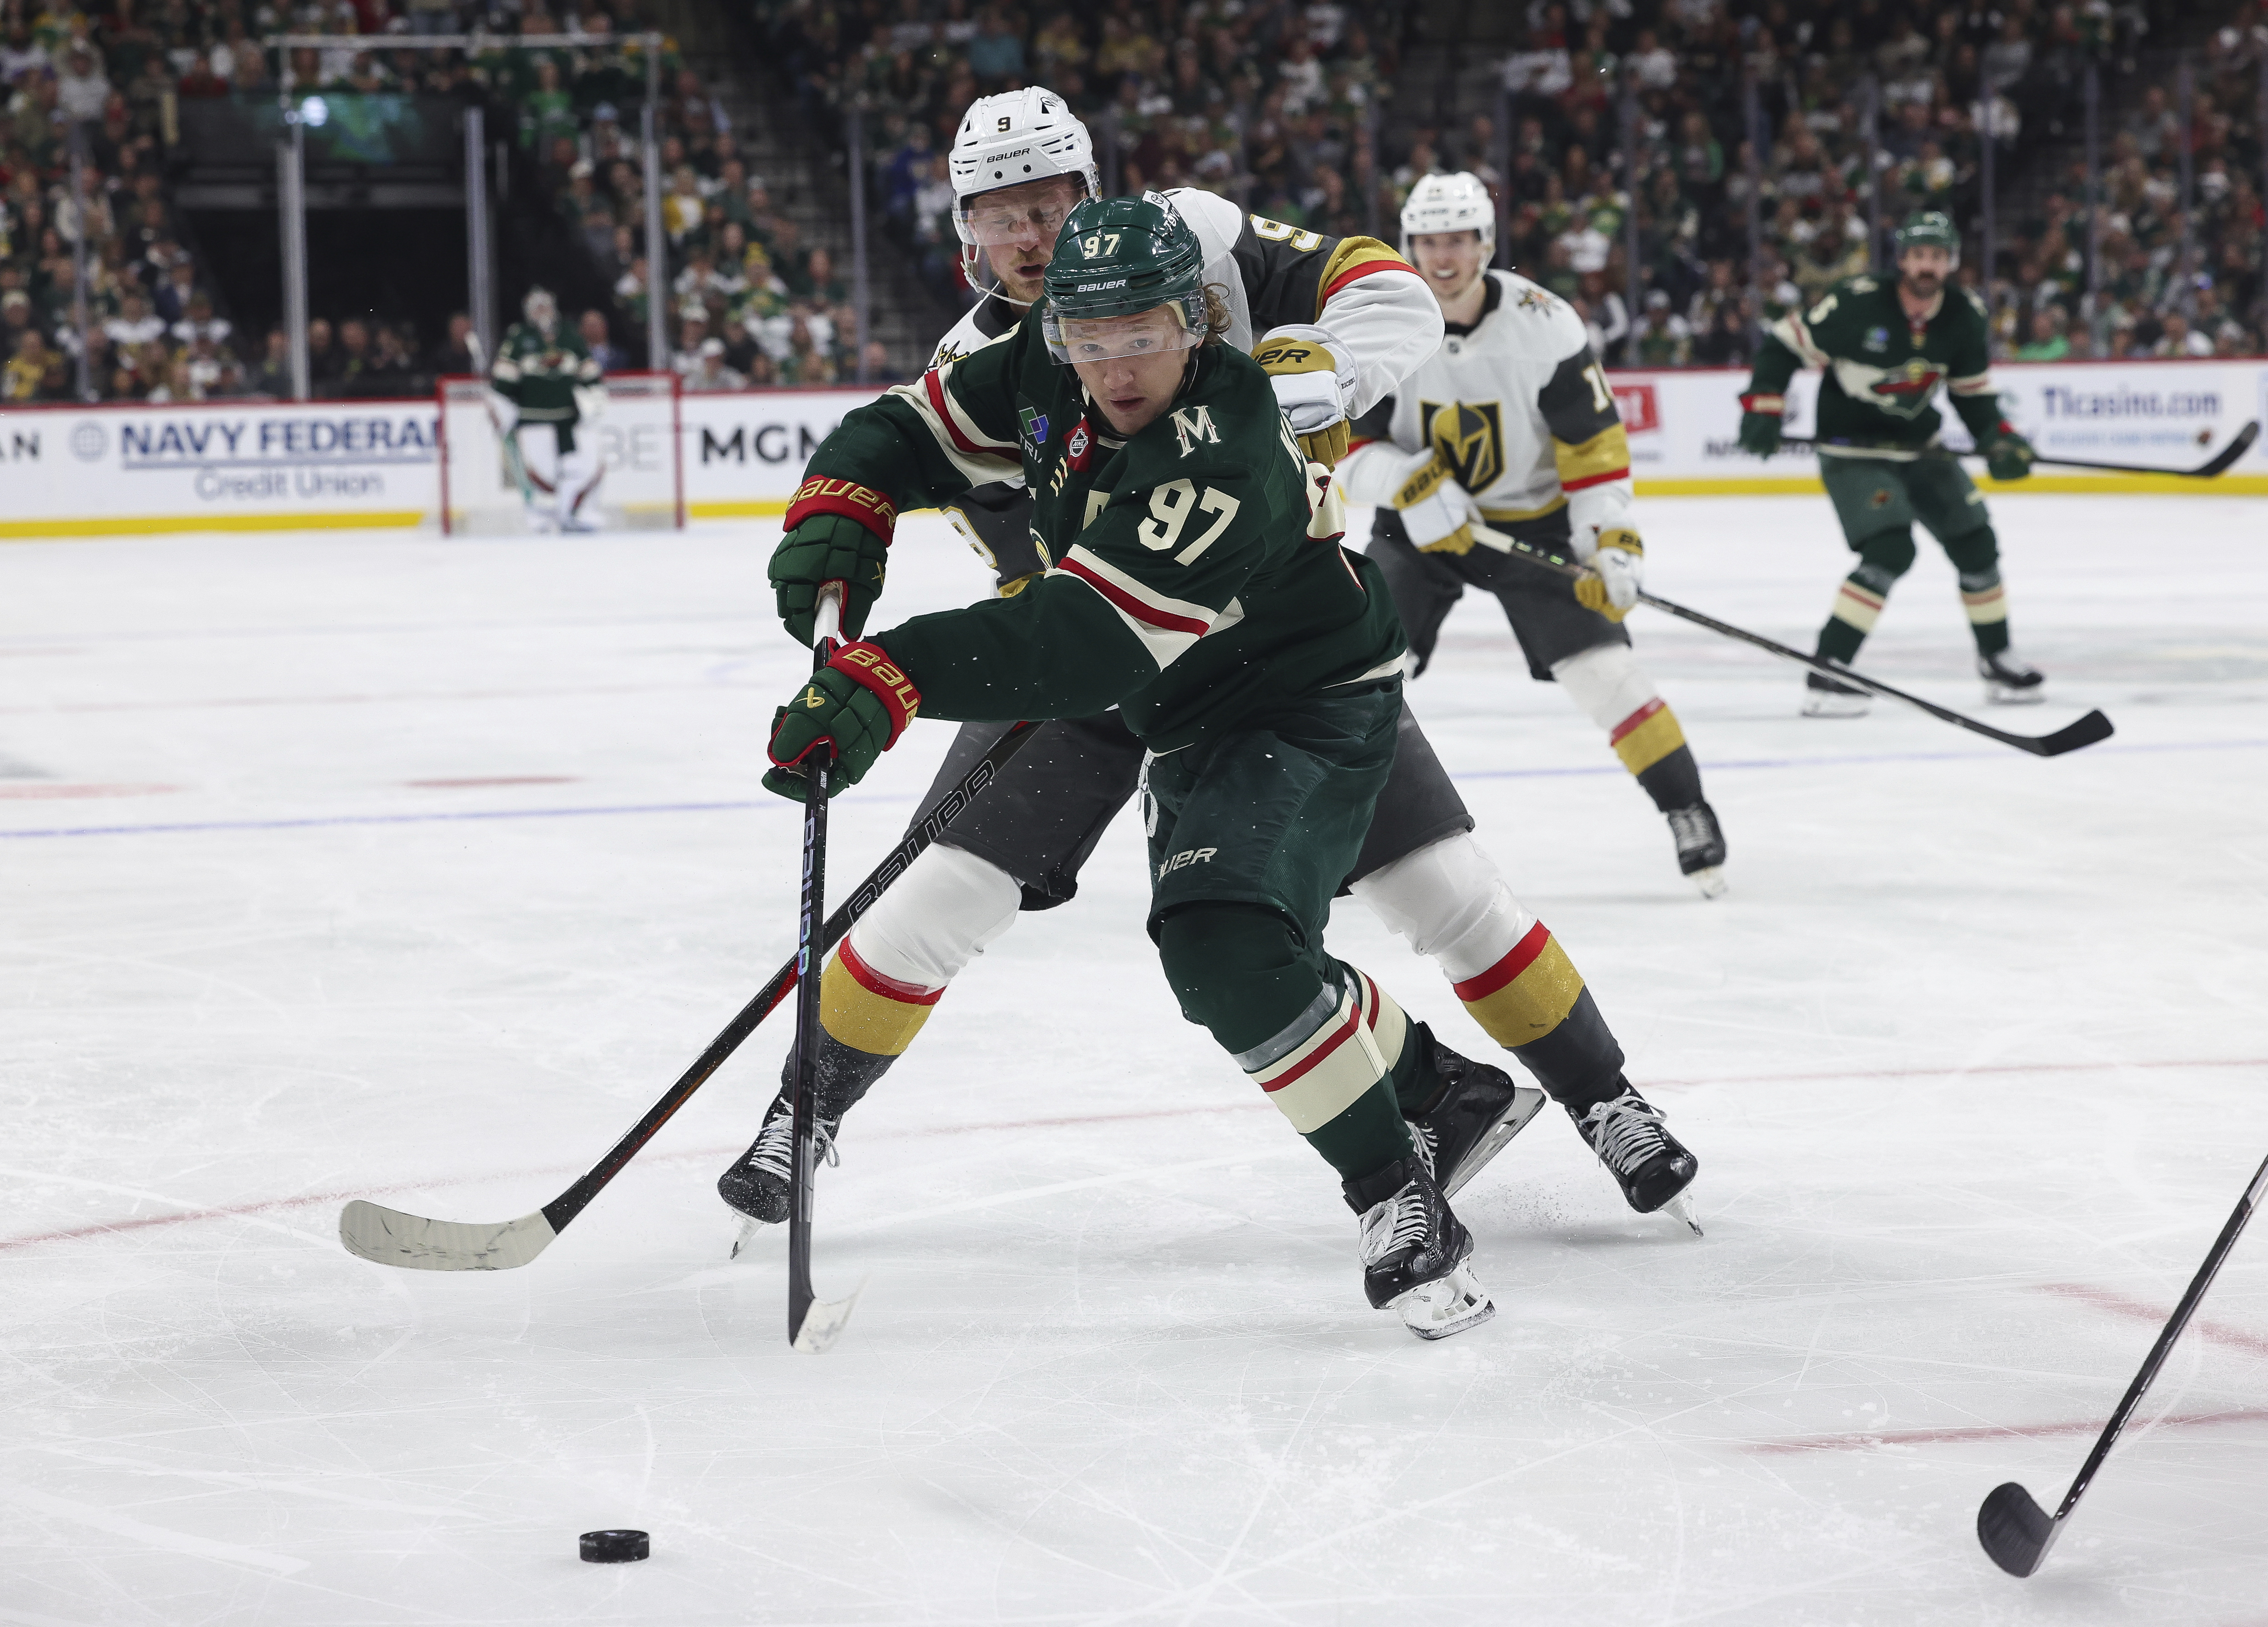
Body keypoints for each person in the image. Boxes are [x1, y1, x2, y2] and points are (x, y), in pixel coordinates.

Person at [718, 90, 1700, 1272]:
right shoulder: (987, 362)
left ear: (1093, 197)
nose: (1030, 238)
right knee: (937, 900)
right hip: (1086, 656)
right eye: (1000, 216)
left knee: (1444, 892)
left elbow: (1384, 292)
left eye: (1049, 206)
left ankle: (1603, 1097)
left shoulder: (1200, 245)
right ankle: (806, 1112)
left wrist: (1323, 383)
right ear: (964, 233)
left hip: (1279, 653)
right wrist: (849, 507)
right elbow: (964, 503)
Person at [755, 195, 1489, 1336]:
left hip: (1302, 702)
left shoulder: (1230, 438)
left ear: (1196, 321)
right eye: (1088, 339)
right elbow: (905, 425)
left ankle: (1401, 1197)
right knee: (1213, 944)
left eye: (1140, 332)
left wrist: (889, 675)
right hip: (1178, 708)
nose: (1113, 364)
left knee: (1223, 942)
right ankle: (1440, 1087)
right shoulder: (1046, 367)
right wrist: (844, 504)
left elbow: (1077, 642)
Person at [1337, 173, 1729, 896]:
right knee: (1353, 673)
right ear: (1409, 243)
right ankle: (1336, 833)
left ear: (1486, 242)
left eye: (1458, 239)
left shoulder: (1546, 324)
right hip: (1419, 528)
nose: (1443, 255)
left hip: (1533, 524)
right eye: (1428, 239)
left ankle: (1688, 809)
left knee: (1607, 676)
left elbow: (1594, 452)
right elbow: (1341, 453)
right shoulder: (1380, 323)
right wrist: (1408, 482)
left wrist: (1611, 539)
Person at [1737, 210, 2044, 712]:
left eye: (1938, 257)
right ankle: (1828, 670)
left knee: (1977, 543)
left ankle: (1998, 659)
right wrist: (1765, 405)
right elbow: (1782, 346)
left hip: (1919, 449)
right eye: (1919, 255)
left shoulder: (1964, 315)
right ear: (1902, 259)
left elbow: (1972, 396)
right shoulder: (1856, 304)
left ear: (1949, 263)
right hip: (1852, 451)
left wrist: (1999, 437)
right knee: (1890, 548)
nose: (1928, 266)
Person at [488, 287, 604, 533]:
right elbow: (504, 379)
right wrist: (499, 404)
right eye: (536, 307)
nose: (542, 311)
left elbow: (589, 373)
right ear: (528, 312)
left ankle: (571, 515)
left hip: (567, 419)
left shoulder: (570, 336)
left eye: (546, 306)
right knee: (542, 474)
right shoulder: (519, 338)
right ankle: (540, 520)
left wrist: (595, 398)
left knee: (575, 469)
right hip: (533, 419)